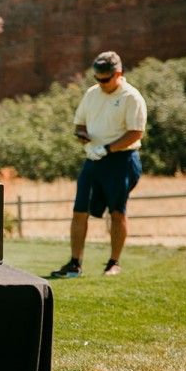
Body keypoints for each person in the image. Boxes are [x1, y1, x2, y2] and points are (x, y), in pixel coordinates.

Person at [51, 51, 146, 278]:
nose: (101, 83)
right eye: (97, 79)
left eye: (105, 79)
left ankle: (114, 263)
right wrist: (83, 136)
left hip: (121, 160)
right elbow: (79, 124)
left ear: (118, 74)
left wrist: (107, 148)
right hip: (93, 159)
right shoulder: (92, 94)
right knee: (79, 210)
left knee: (117, 212)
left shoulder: (131, 97)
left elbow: (135, 132)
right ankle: (75, 264)